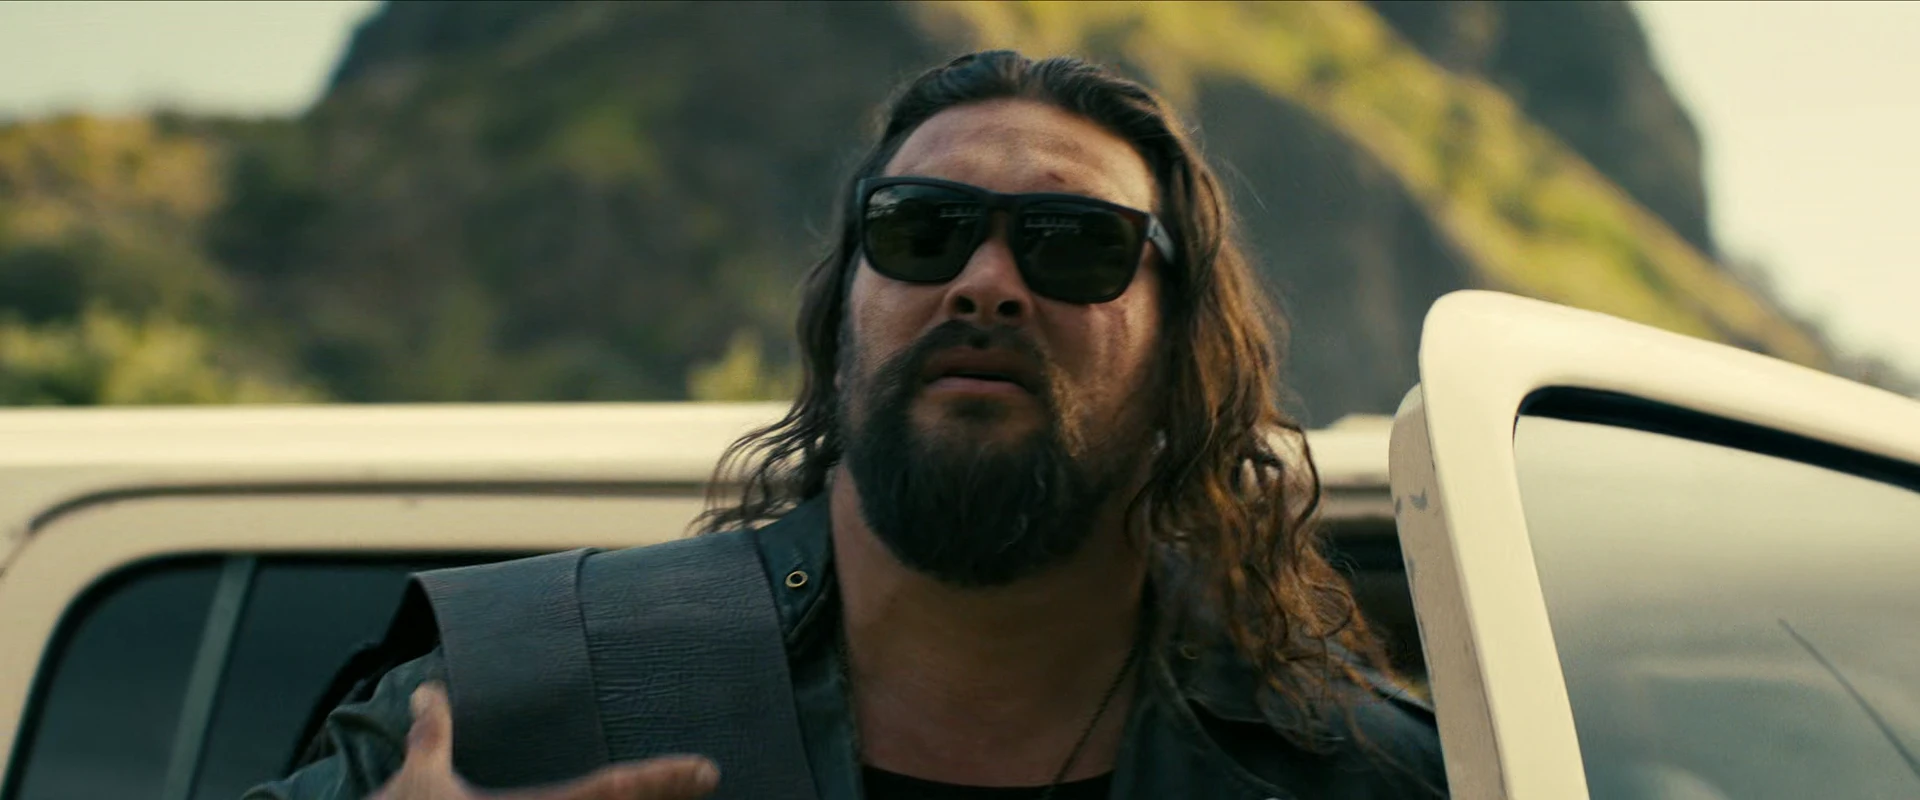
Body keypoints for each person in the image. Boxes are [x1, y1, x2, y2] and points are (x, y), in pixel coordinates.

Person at [248, 50, 1446, 800]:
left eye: (1075, 243)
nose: (986, 283)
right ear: (843, 317)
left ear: (1186, 349)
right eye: (922, 229)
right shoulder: (513, 691)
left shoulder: (1359, 772)